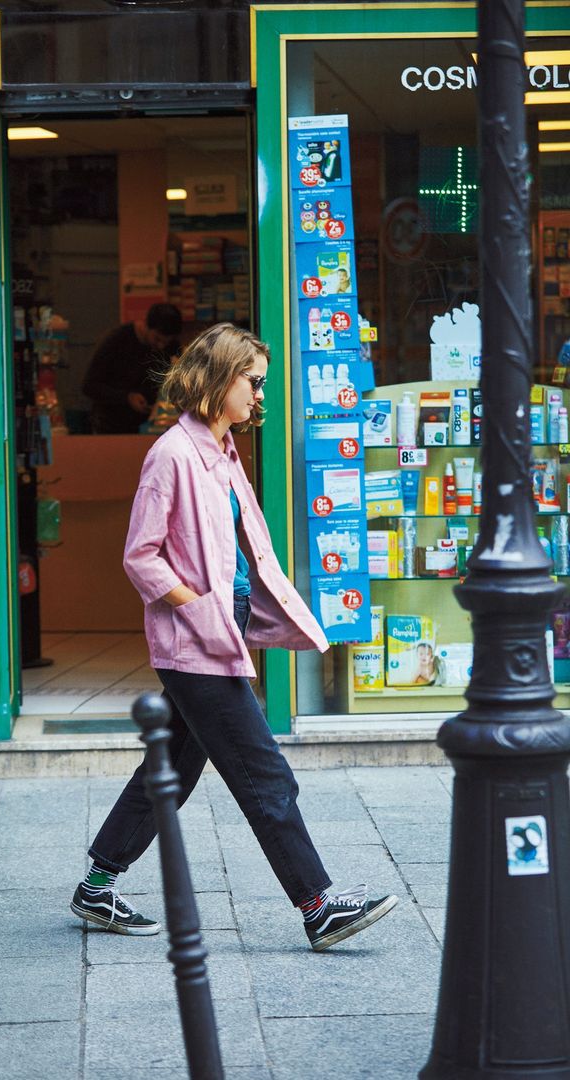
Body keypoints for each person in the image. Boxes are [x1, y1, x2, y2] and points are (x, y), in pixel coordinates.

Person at [70, 323, 398, 951]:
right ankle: (319, 905)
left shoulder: (222, 451)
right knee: (264, 771)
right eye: (253, 381)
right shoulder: (172, 453)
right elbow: (141, 557)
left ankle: (96, 885)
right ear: (219, 378)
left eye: (262, 383)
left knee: (168, 770)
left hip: (224, 628)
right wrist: (198, 613)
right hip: (197, 643)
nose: (259, 395)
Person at [81, 303, 182, 433]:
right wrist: (127, 397)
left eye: (166, 342)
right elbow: (89, 386)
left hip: (151, 426)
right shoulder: (117, 340)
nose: (161, 346)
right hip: (111, 426)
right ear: (146, 325)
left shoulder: (170, 347)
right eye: (157, 339)